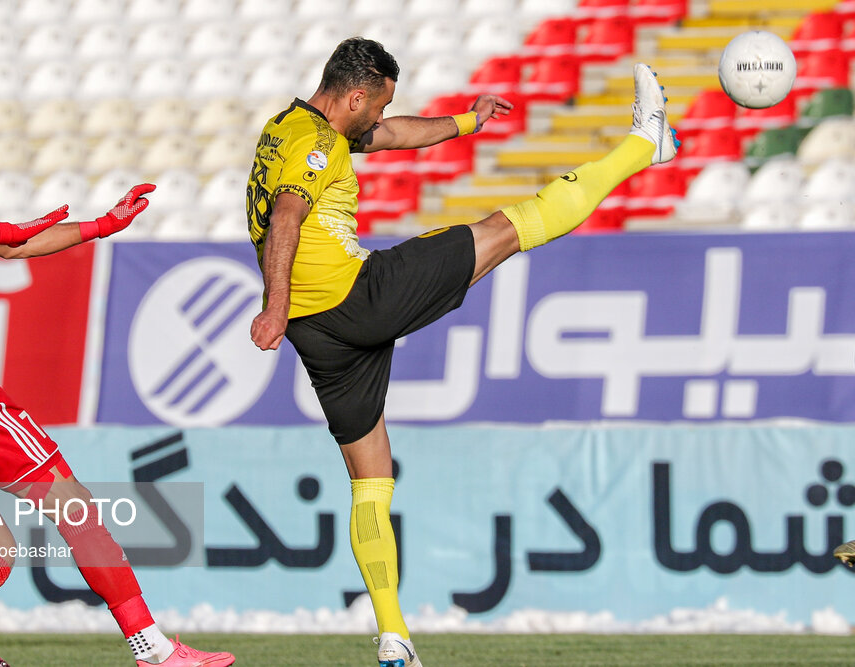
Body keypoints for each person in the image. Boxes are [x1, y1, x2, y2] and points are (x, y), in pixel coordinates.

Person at [245, 37, 677, 667]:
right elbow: (287, 216)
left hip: (322, 334)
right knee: (508, 229)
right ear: (357, 94)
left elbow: (388, 137)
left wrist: (468, 121)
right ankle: (645, 144)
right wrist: (273, 307)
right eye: (379, 104)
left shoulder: (291, 127)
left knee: (371, 482)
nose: (381, 117)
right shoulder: (318, 146)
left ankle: (394, 638)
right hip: (358, 298)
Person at [0, 102, 235, 667]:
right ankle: (153, 649)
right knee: (76, 507)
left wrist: (100, 225)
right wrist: (5, 227)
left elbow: (17, 244)